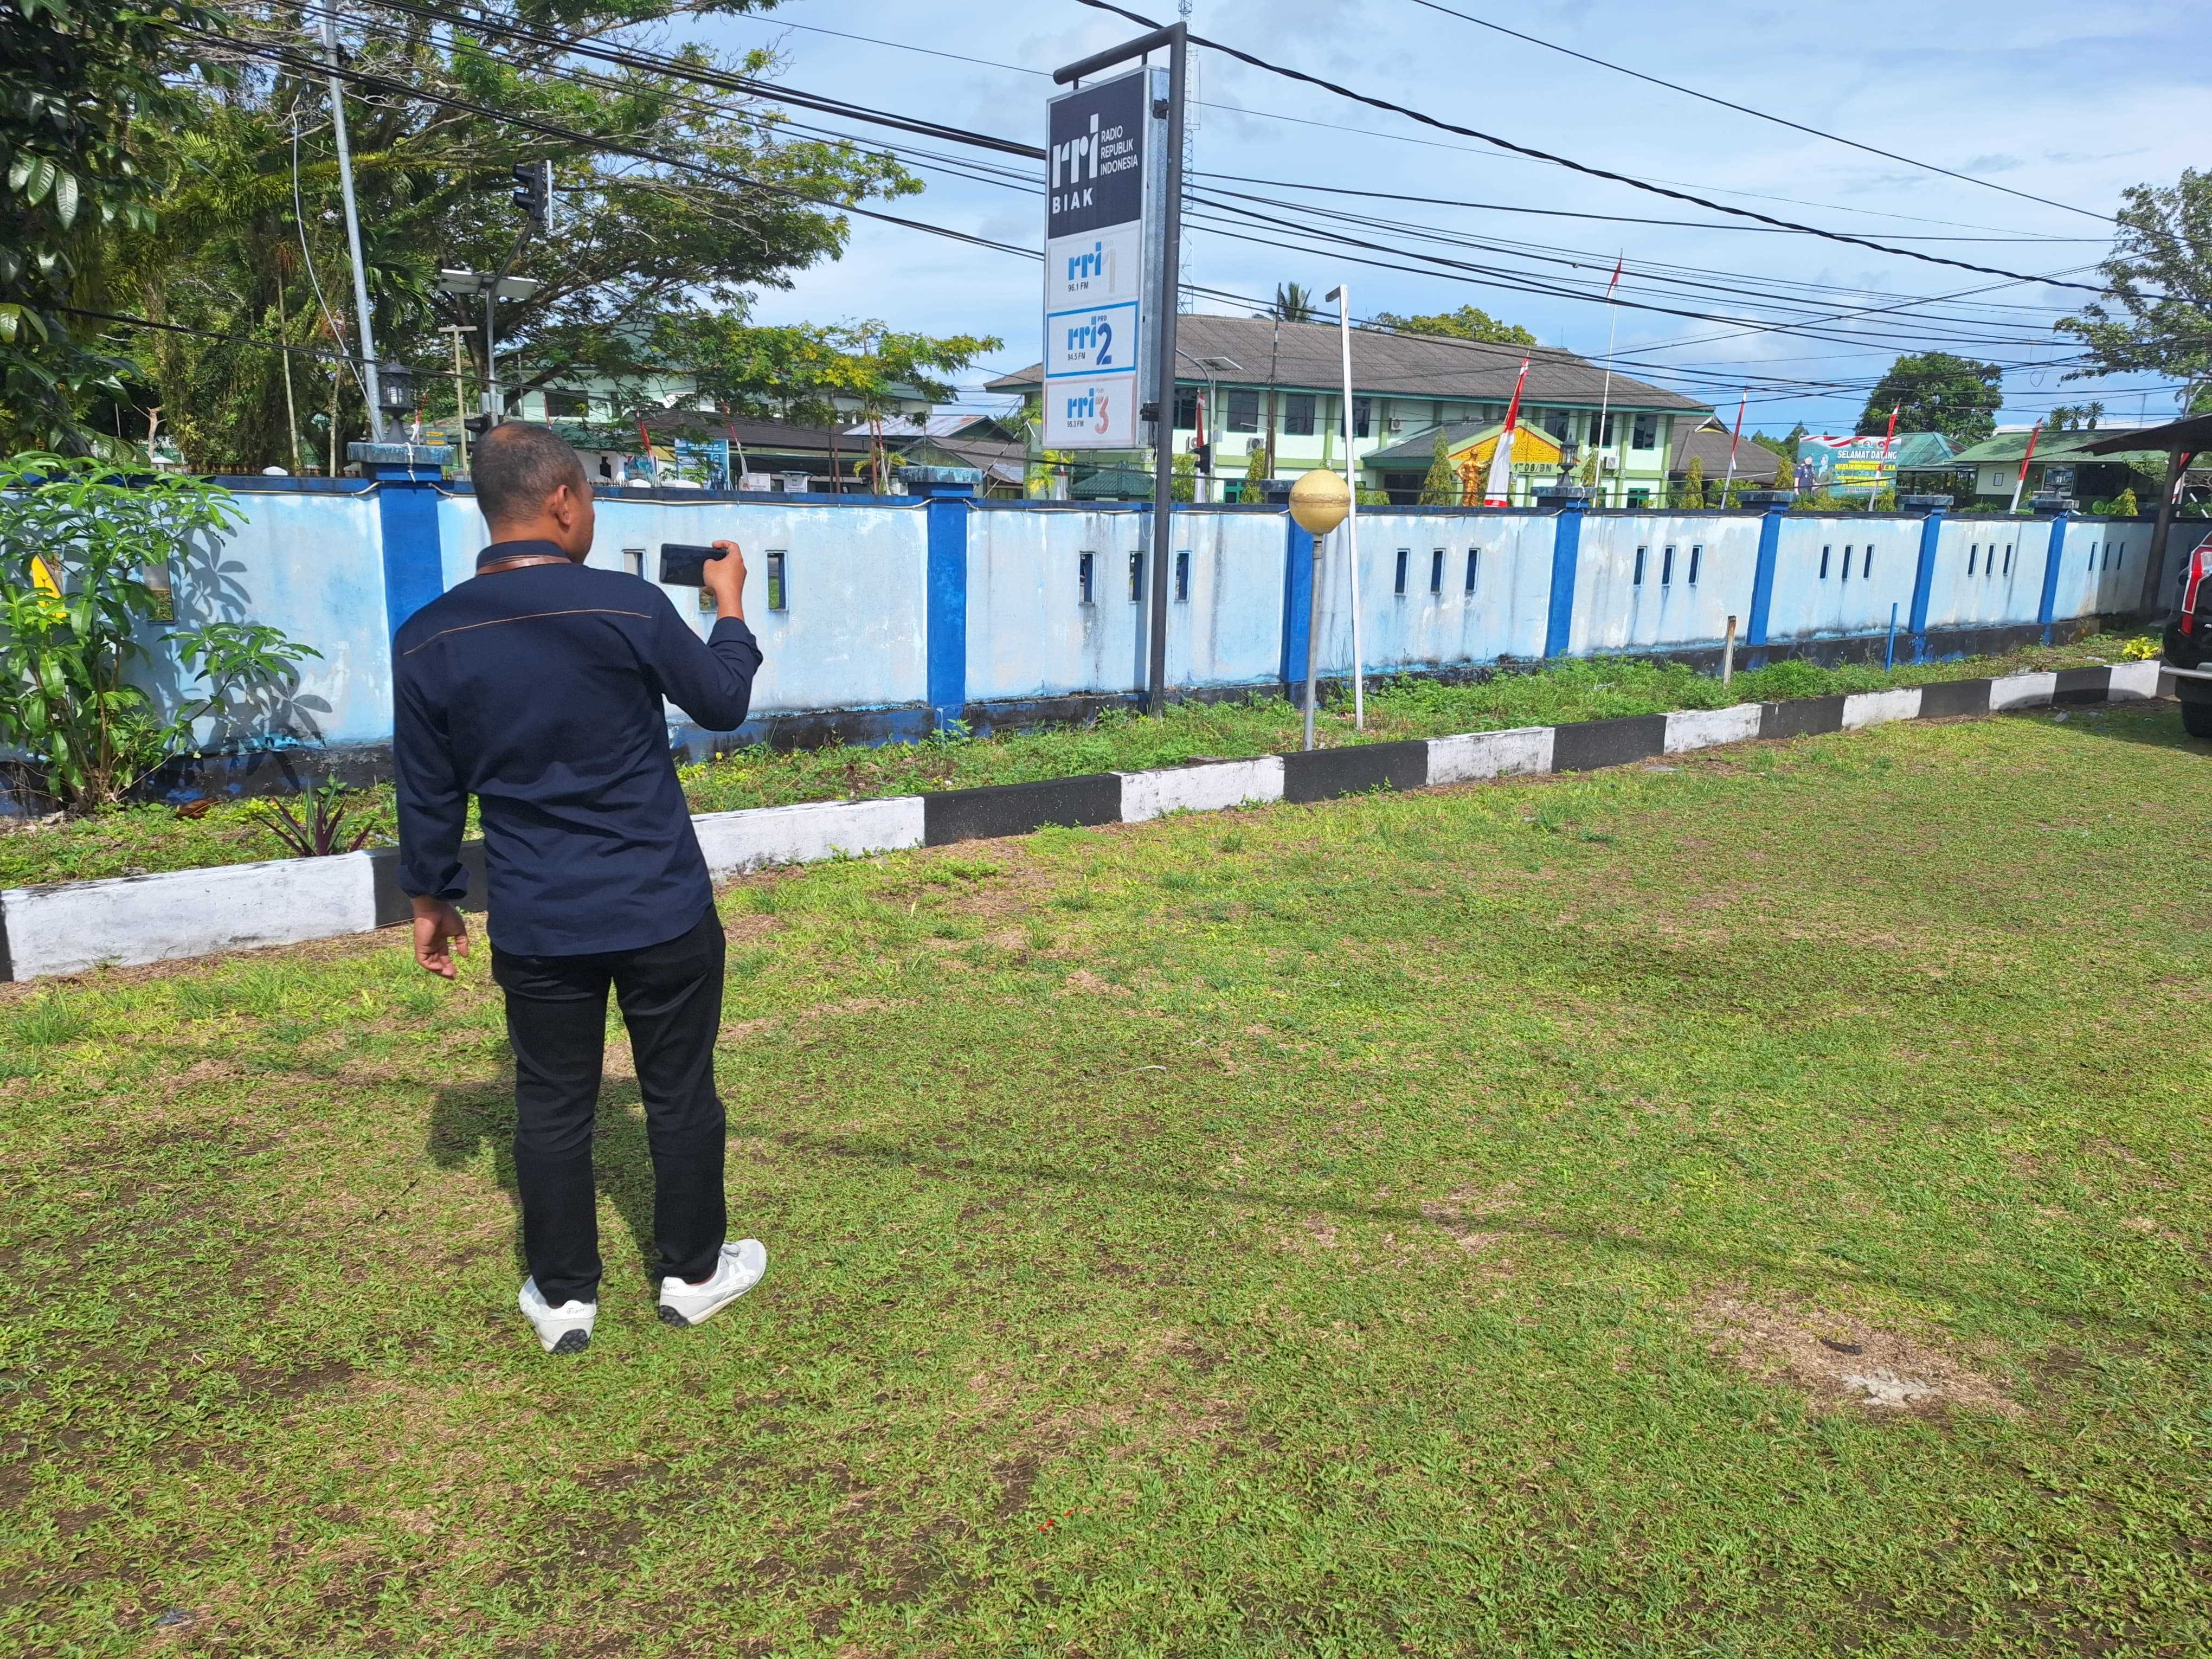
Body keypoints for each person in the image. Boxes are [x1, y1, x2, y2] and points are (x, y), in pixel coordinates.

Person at [393, 421, 766, 1356]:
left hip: (537, 916)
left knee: (551, 1104)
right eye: (591, 498)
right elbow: (722, 700)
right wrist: (730, 608)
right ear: (562, 498)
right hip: (661, 906)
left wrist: (431, 899)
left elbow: (427, 787)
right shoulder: (629, 607)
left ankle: (565, 1299)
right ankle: (691, 1276)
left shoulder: (430, 637)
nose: (589, 514)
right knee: (679, 1090)